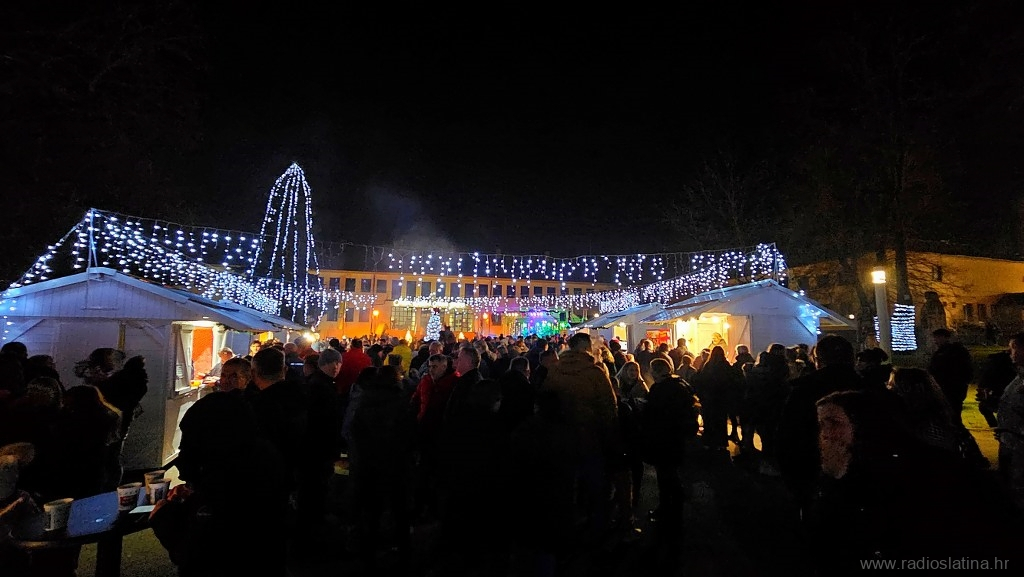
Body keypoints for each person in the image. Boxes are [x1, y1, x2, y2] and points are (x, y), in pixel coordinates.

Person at [150, 392, 291, 577]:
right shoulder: (260, 455)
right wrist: (195, 494)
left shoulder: (224, 480)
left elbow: (192, 552)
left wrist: (162, 514)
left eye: (190, 439)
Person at [927, 328, 973, 426]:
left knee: (953, 414)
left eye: (937, 338)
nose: (935, 341)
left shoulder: (952, 352)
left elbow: (963, 369)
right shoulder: (943, 352)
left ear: (945, 338)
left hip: (951, 387)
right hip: (948, 387)